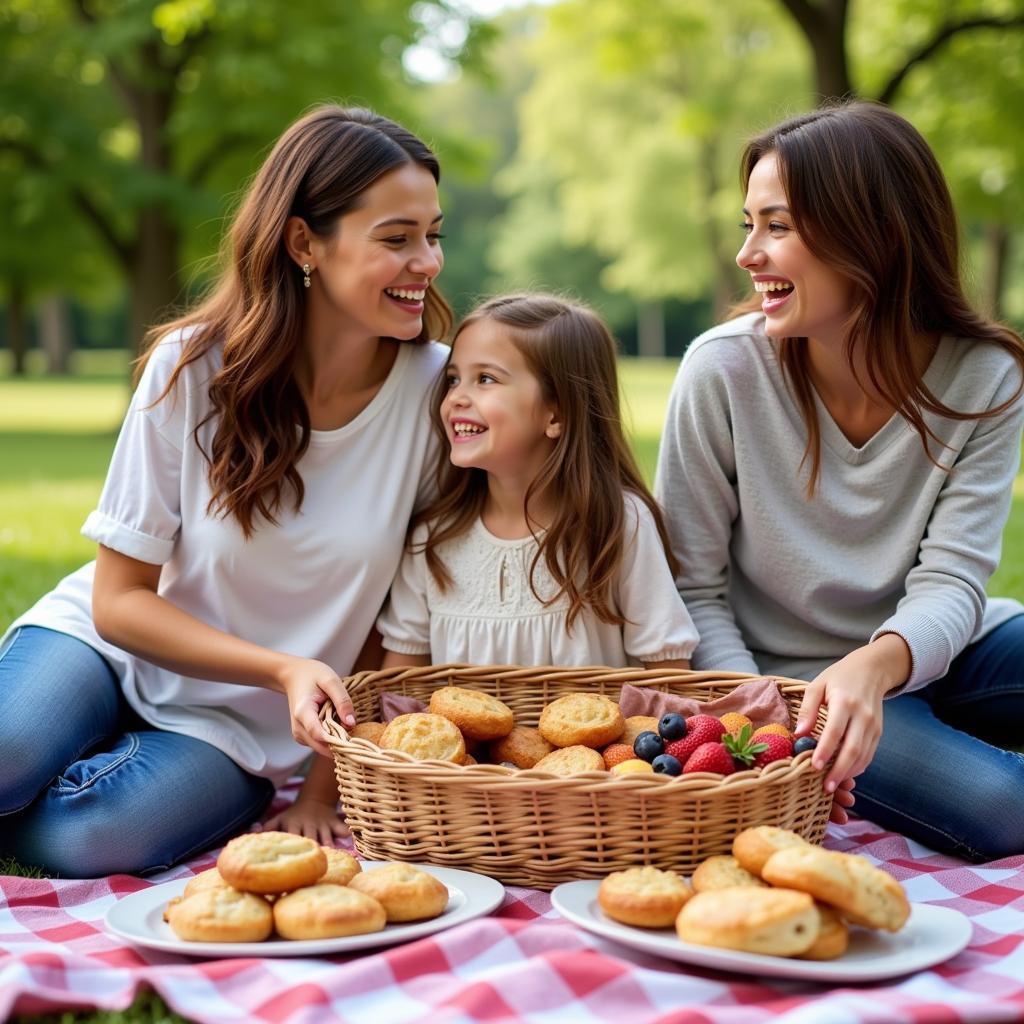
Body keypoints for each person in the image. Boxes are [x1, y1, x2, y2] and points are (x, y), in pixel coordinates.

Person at [0, 105, 452, 876]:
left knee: (86, 840)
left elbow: (395, 627)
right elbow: (119, 600)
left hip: (236, 726)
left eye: (433, 235)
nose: (429, 262)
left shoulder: (439, 392)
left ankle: (122, 776)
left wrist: (321, 790)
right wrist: (280, 666)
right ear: (306, 241)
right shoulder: (192, 366)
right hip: (105, 648)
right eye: (396, 239)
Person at [656, 100, 1024, 861]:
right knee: (999, 809)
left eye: (777, 226)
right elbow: (693, 589)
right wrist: (760, 716)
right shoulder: (721, 372)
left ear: (874, 235)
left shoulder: (986, 376)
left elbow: (953, 578)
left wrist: (878, 662)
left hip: (942, 648)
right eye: (746, 225)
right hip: (798, 685)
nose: (747, 254)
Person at [377, 293, 698, 670]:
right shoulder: (432, 541)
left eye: (485, 379)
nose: (457, 398)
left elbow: (668, 675)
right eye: (452, 379)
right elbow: (399, 695)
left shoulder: (617, 526)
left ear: (556, 412)